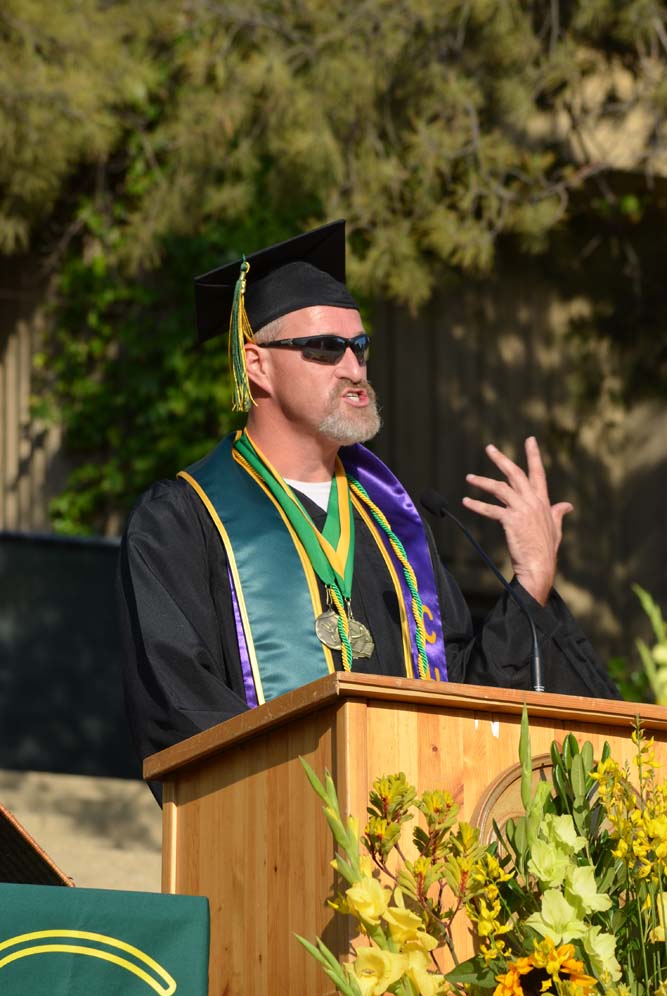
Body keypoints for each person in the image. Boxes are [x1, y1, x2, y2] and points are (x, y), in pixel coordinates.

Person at [117, 220, 619, 780]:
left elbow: (465, 707)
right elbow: (182, 711)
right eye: (325, 348)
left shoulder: (393, 528)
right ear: (257, 366)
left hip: (414, 829)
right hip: (276, 824)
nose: (355, 369)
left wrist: (531, 581)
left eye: (360, 347)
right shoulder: (182, 522)